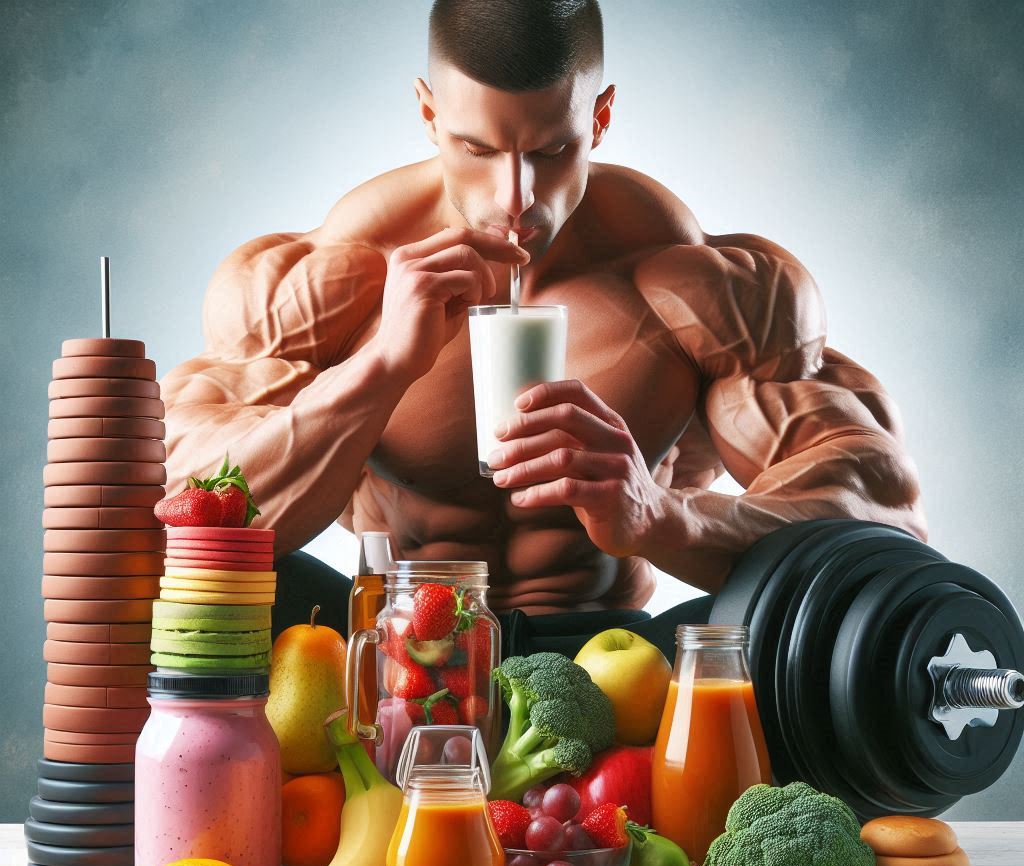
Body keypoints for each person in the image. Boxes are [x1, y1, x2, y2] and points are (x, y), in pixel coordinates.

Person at [161, 0, 926, 658]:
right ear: (429, 113)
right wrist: (380, 369)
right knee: (184, 594)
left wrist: (660, 518)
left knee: (832, 630)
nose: (517, 195)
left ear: (600, 116)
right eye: (478, 148)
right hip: (395, 661)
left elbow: (885, 518)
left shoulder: (687, 281)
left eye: (554, 150)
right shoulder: (336, 282)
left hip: (616, 666)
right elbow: (179, 511)